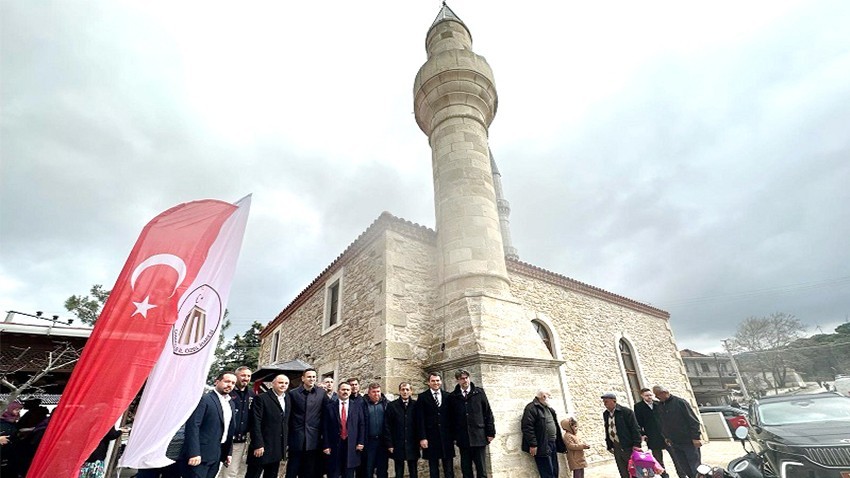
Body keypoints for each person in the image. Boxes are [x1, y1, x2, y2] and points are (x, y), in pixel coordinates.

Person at [180, 371, 237, 478]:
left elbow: (229, 429)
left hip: (217, 454)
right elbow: (193, 426)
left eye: (233, 383)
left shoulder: (231, 403)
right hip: (200, 456)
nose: (230, 385)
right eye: (227, 381)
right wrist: (193, 453)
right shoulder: (204, 399)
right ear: (217, 382)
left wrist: (228, 452)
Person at [447, 370, 495, 478]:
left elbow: (488, 413)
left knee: (481, 470)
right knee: (466, 470)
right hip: (463, 438)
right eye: (462, 378)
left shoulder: (479, 393)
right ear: (458, 380)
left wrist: (491, 432)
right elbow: (451, 418)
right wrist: (454, 436)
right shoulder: (453, 397)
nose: (465, 380)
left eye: (466, 377)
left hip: (479, 436)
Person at [246, 374, 291, 478]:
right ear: (273, 383)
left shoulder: (287, 399)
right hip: (262, 446)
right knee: (253, 474)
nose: (283, 385)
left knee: (271, 475)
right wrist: (258, 444)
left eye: (286, 383)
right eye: (280, 382)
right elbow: (255, 423)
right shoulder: (261, 398)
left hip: (277, 448)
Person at [652, 385, 702, 478]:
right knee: (684, 466)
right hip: (674, 442)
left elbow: (693, 421)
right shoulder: (660, 406)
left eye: (657, 395)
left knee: (695, 466)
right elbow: (662, 423)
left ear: (664, 393)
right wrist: (666, 436)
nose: (656, 398)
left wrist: (696, 437)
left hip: (688, 441)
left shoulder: (680, 402)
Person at [287, 368, 327, 478]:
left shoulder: (321, 393)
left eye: (314, 377)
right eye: (309, 377)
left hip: (314, 439)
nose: (312, 379)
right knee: (292, 470)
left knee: (308, 471)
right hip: (296, 438)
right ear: (303, 378)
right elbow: (288, 417)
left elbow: (326, 414)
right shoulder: (293, 394)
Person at [217, 366, 256, 478]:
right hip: (221, 439)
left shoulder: (252, 395)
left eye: (248, 376)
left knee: (231, 473)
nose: (246, 378)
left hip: (238, 441)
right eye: (243, 375)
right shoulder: (227, 392)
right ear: (236, 376)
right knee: (215, 470)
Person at [415, 372, 454, 478]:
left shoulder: (448, 396)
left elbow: (452, 417)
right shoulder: (422, 397)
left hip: (446, 437)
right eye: (433, 381)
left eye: (437, 380)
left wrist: (454, 436)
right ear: (428, 382)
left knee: (449, 468)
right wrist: (423, 438)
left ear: (440, 382)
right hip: (431, 438)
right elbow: (420, 419)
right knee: (433, 468)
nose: (435, 383)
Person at [323, 382, 366, 478]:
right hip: (334, 445)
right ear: (338, 391)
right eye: (343, 390)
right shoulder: (330, 407)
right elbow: (325, 428)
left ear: (350, 392)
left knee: (349, 474)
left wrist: (361, 442)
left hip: (351, 445)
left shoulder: (357, 406)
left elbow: (362, 425)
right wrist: (326, 445)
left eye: (347, 390)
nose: (345, 392)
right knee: (334, 473)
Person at [520, 390, 564, 478]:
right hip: (542, 444)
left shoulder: (549, 408)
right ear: (543, 396)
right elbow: (527, 427)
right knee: (547, 471)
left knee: (554, 469)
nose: (550, 398)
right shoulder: (531, 408)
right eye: (549, 396)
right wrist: (533, 444)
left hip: (552, 442)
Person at [600, 392, 641, 478]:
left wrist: (637, 444)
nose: (605, 404)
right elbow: (607, 429)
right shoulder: (606, 414)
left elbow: (635, 428)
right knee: (623, 470)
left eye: (606, 401)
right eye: (604, 402)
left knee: (634, 470)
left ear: (614, 401)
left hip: (628, 445)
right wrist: (609, 445)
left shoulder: (626, 412)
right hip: (616, 446)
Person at [384, 382, 419, 478]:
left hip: (413, 443)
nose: (405, 392)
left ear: (411, 391)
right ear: (399, 391)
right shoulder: (392, 406)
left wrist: (420, 440)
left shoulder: (416, 405)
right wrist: (389, 444)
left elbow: (420, 424)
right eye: (403, 389)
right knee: (399, 471)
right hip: (397, 443)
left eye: (407, 389)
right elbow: (387, 426)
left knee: (413, 471)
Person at [634, 388, 669, 478]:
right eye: (646, 395)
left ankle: (682, 474)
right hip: (652, 435)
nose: (649, 397)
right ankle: (664, 475)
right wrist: (642, 434)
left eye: (650, 395)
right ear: (642, 396)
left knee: (675, 455)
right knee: (658, 459)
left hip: (665, 434)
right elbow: (638, 422)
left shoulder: (658, 404)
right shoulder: (638, 407)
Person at [362, 383, 389, 478]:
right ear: (369, 393)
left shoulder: (386, 404)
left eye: (378, 391)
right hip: (369, 442)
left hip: (383, 442)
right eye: (373, 392)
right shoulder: (363, 404)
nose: (376, 394)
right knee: (368, 468)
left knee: (383, 469)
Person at [1, 401, 22, 476]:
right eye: (16, 409)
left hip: (10, 459)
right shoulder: (2, 423)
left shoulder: (11, 422)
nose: (18, 412)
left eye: (19, 410)